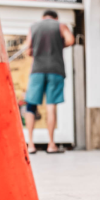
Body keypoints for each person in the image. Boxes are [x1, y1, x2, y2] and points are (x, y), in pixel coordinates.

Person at [22, 10, 74, 155]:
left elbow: (28, 51)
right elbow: (70, 40)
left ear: (43, 17)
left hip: (37, 70)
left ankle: (30, 144)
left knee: (31, 105)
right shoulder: (60, 25)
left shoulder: (34, 27)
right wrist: (59, 45)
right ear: (56, 17)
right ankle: (51, 144)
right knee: (51, 106)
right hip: (55, 70)